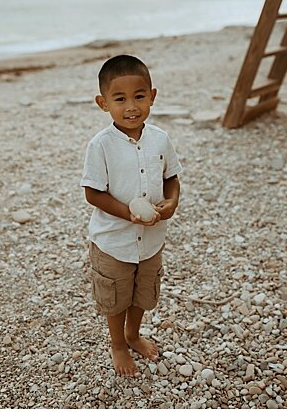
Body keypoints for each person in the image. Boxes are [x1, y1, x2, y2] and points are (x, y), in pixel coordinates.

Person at [81, 54, 183, 377]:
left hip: (151, 241)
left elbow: (172, 177)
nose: (131, 107)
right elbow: (92, 193)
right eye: (120, 99)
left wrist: (172, 201)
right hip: (113, 243)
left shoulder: (160, 140)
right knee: (116, 297)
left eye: (139, 96)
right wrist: (128, 213)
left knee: (143, 292)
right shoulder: (100, 146)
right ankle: (118, 344)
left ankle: (133, 334)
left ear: (152, 96)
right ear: (103, 103)